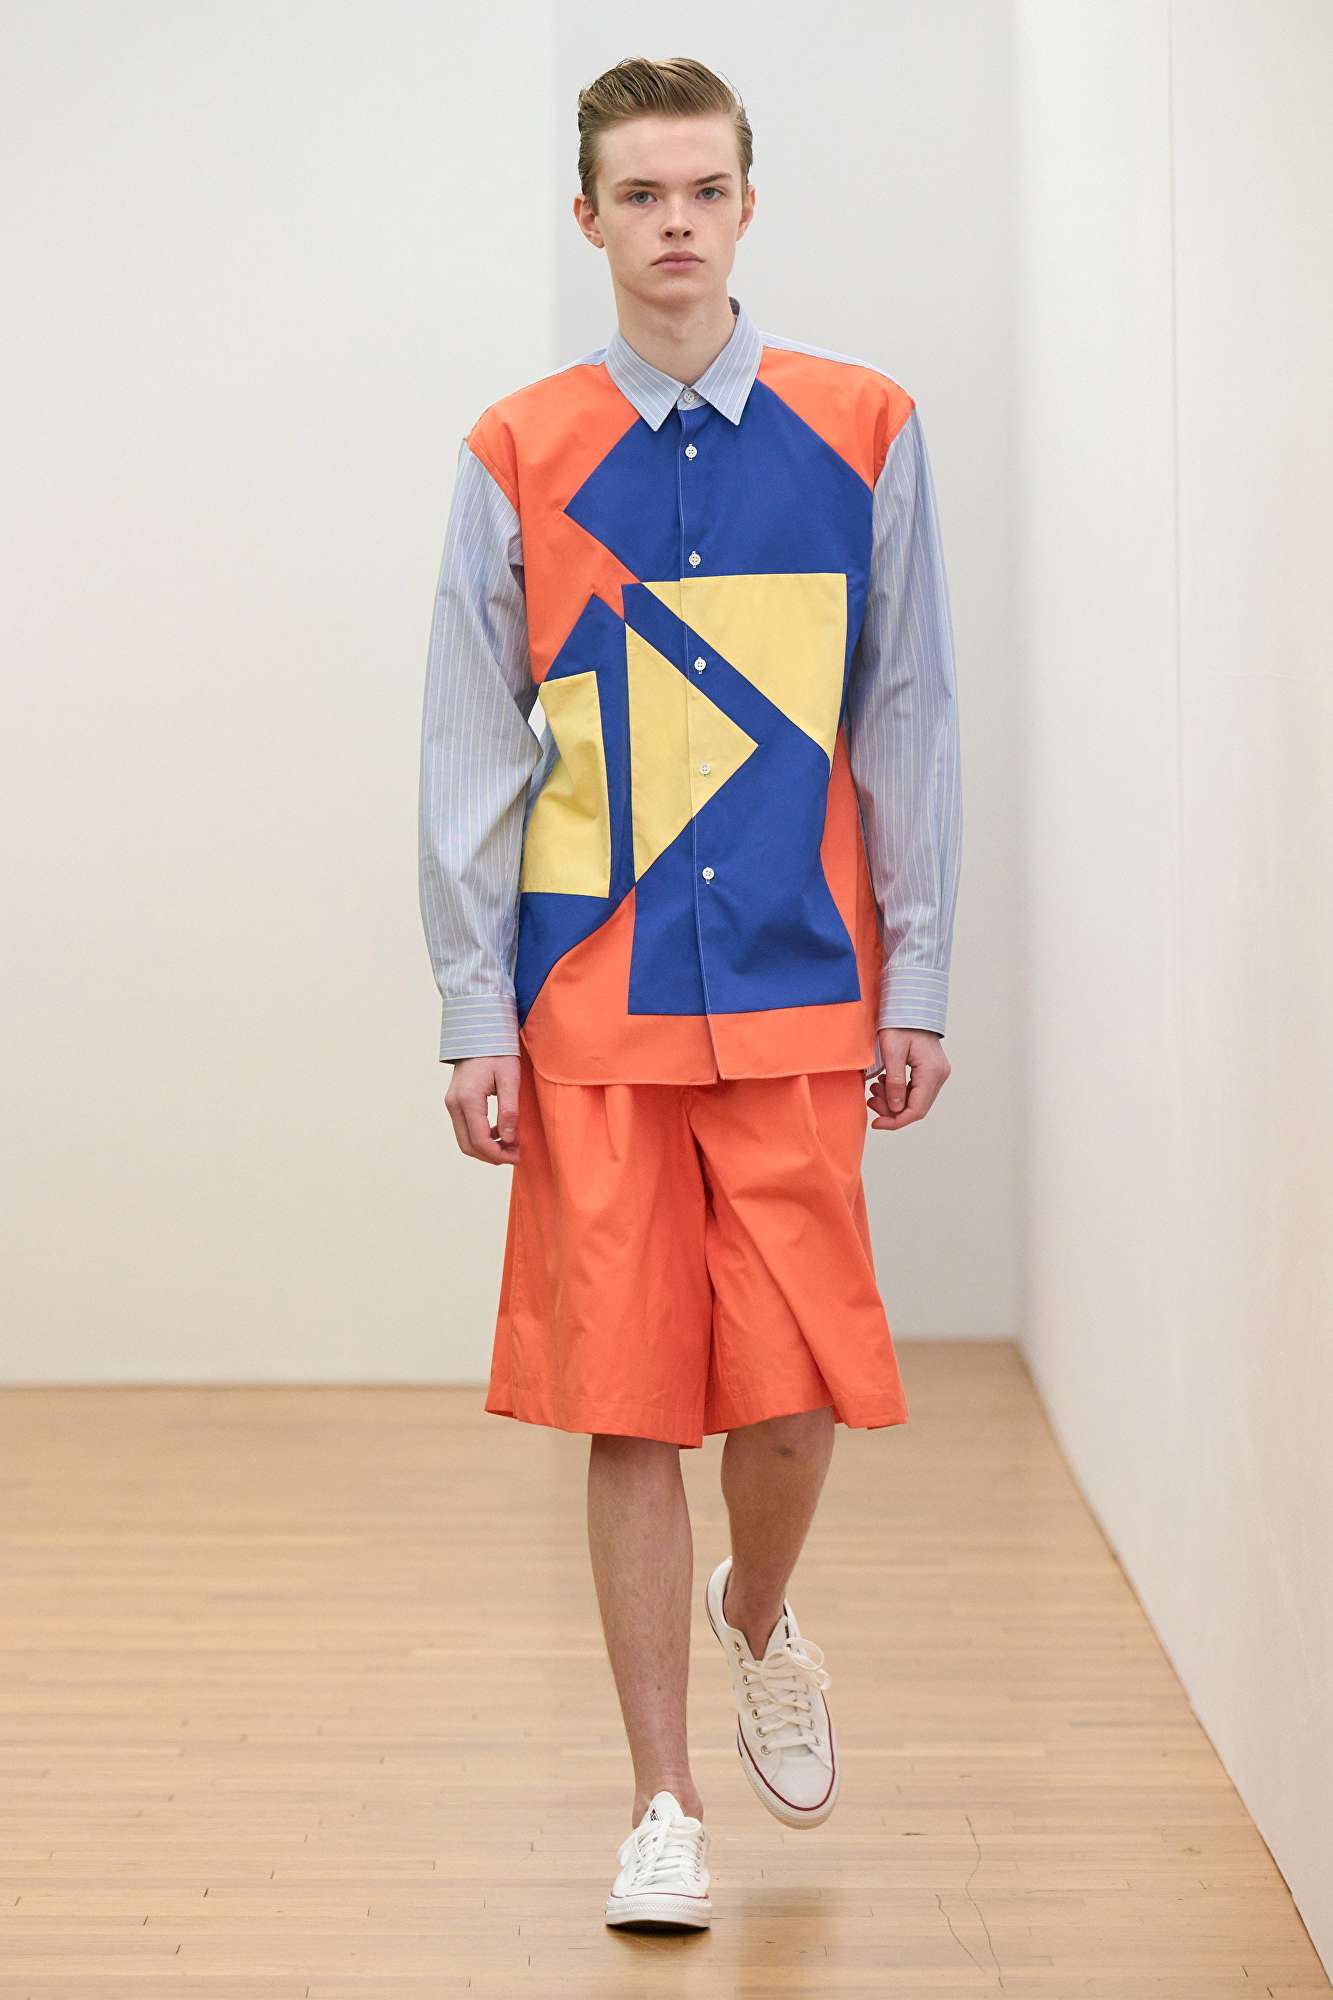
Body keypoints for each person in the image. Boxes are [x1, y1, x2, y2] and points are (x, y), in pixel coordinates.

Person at [417, 54, 963, 1932]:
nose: (673, 223)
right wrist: (471, 1009)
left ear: (745, 206)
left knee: (793, 1397)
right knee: (631, 1403)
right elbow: (468, 748)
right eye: (639, 194)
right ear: (588, 219)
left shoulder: (863, 426)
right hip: (594, 993)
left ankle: (759, 1606)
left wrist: (921, 973)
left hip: (805, 985)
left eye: (703, 190)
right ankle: (660, 1804)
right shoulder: (516, 449)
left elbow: (907, 719)